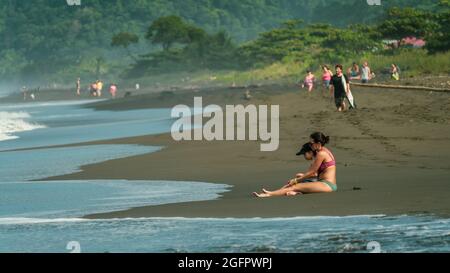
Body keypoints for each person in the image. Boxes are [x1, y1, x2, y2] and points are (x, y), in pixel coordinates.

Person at [253, 132, 337, 197]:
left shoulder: (321, 154)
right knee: (296, 184)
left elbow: (312, 172)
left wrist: (296, 180)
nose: (310, 145)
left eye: (311, 143)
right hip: (324, 183)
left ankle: (269, 194)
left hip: (327, 185)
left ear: (318, 143)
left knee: (295, 185)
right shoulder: (325, 151)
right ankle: (274, 192)